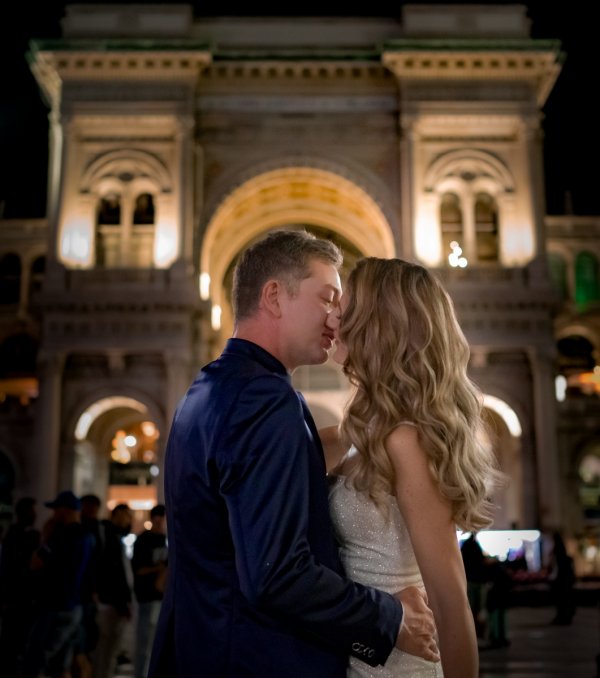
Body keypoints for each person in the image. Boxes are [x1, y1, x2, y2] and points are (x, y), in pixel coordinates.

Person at [149, 230, 439, 678]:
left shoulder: (210, 388)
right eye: (327, 298)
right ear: (273, 296)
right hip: (259, 660)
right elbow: (276, 573)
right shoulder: (264, 399)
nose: (336, 318)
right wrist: (391, 619)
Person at [322, 257, 503, 677]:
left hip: (398, 667)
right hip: (358, 654)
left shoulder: (407, 442)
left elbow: (450, 600)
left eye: (345, 306)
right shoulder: (359, 434)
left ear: (378, 324)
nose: (334, 315)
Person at [23, 490, 93, 678]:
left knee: (36, 660)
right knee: (61, 664)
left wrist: (45, 538)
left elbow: (36, 563)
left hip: (55, 605)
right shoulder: (87, 537)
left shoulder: (60, 536)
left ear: (65, 510)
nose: (53, 514)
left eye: (56, 509)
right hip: (75, 605)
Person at [0, 496, 41, 677]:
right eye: (32, 511)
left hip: (20, 597)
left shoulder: (16, 534)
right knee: (15, 644)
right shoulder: (18, 536)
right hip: (18, 598)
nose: (34, 515)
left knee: (16, 644)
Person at [92, 503, 133, 678]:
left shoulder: (114, 537)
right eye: (126, 515)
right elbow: (113, 573)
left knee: (108, 651)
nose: (128, 519)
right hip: (110, 602)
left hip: (113, 602)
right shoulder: (109, 537)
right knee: (106, 650)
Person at [131, 504, 167, 678]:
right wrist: (158, 569)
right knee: (145, 645)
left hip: (161, 598)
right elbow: (138, 569)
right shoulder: (144, 540)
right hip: (147, 597)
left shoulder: (166, 539)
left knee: (154, 645)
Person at [460, 533, 487, 639]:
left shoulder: (466, 545)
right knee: (477, 607)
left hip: (470, 579)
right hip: (476, 580)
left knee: (471, 607)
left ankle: (473, 632)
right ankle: (477, 632)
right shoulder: (475, 545)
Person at [547, 530, 576, 625]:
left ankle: (563, 617)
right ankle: (564, 617)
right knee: (564, 601)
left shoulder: (557, 554)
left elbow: (555, 569)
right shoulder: (561, 553)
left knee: (562, 601)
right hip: (564, 581)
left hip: (561, 582)